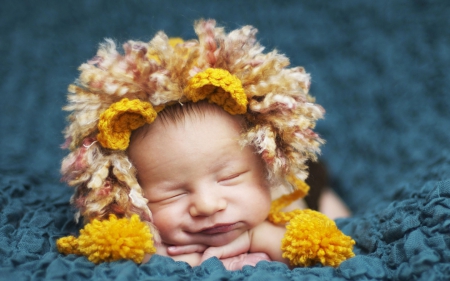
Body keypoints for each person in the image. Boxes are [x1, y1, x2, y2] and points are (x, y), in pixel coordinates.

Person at [56, 19, 354, 269]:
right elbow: (117, 251)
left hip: (311, 187)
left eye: (230, 178)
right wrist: (157, 254)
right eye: (172, 194)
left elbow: (324, 253)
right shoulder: (136, 221)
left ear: (266, 166)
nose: (208, 205)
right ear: (132, 195)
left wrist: (257, 237)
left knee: (334, 213)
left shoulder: (284, 184)